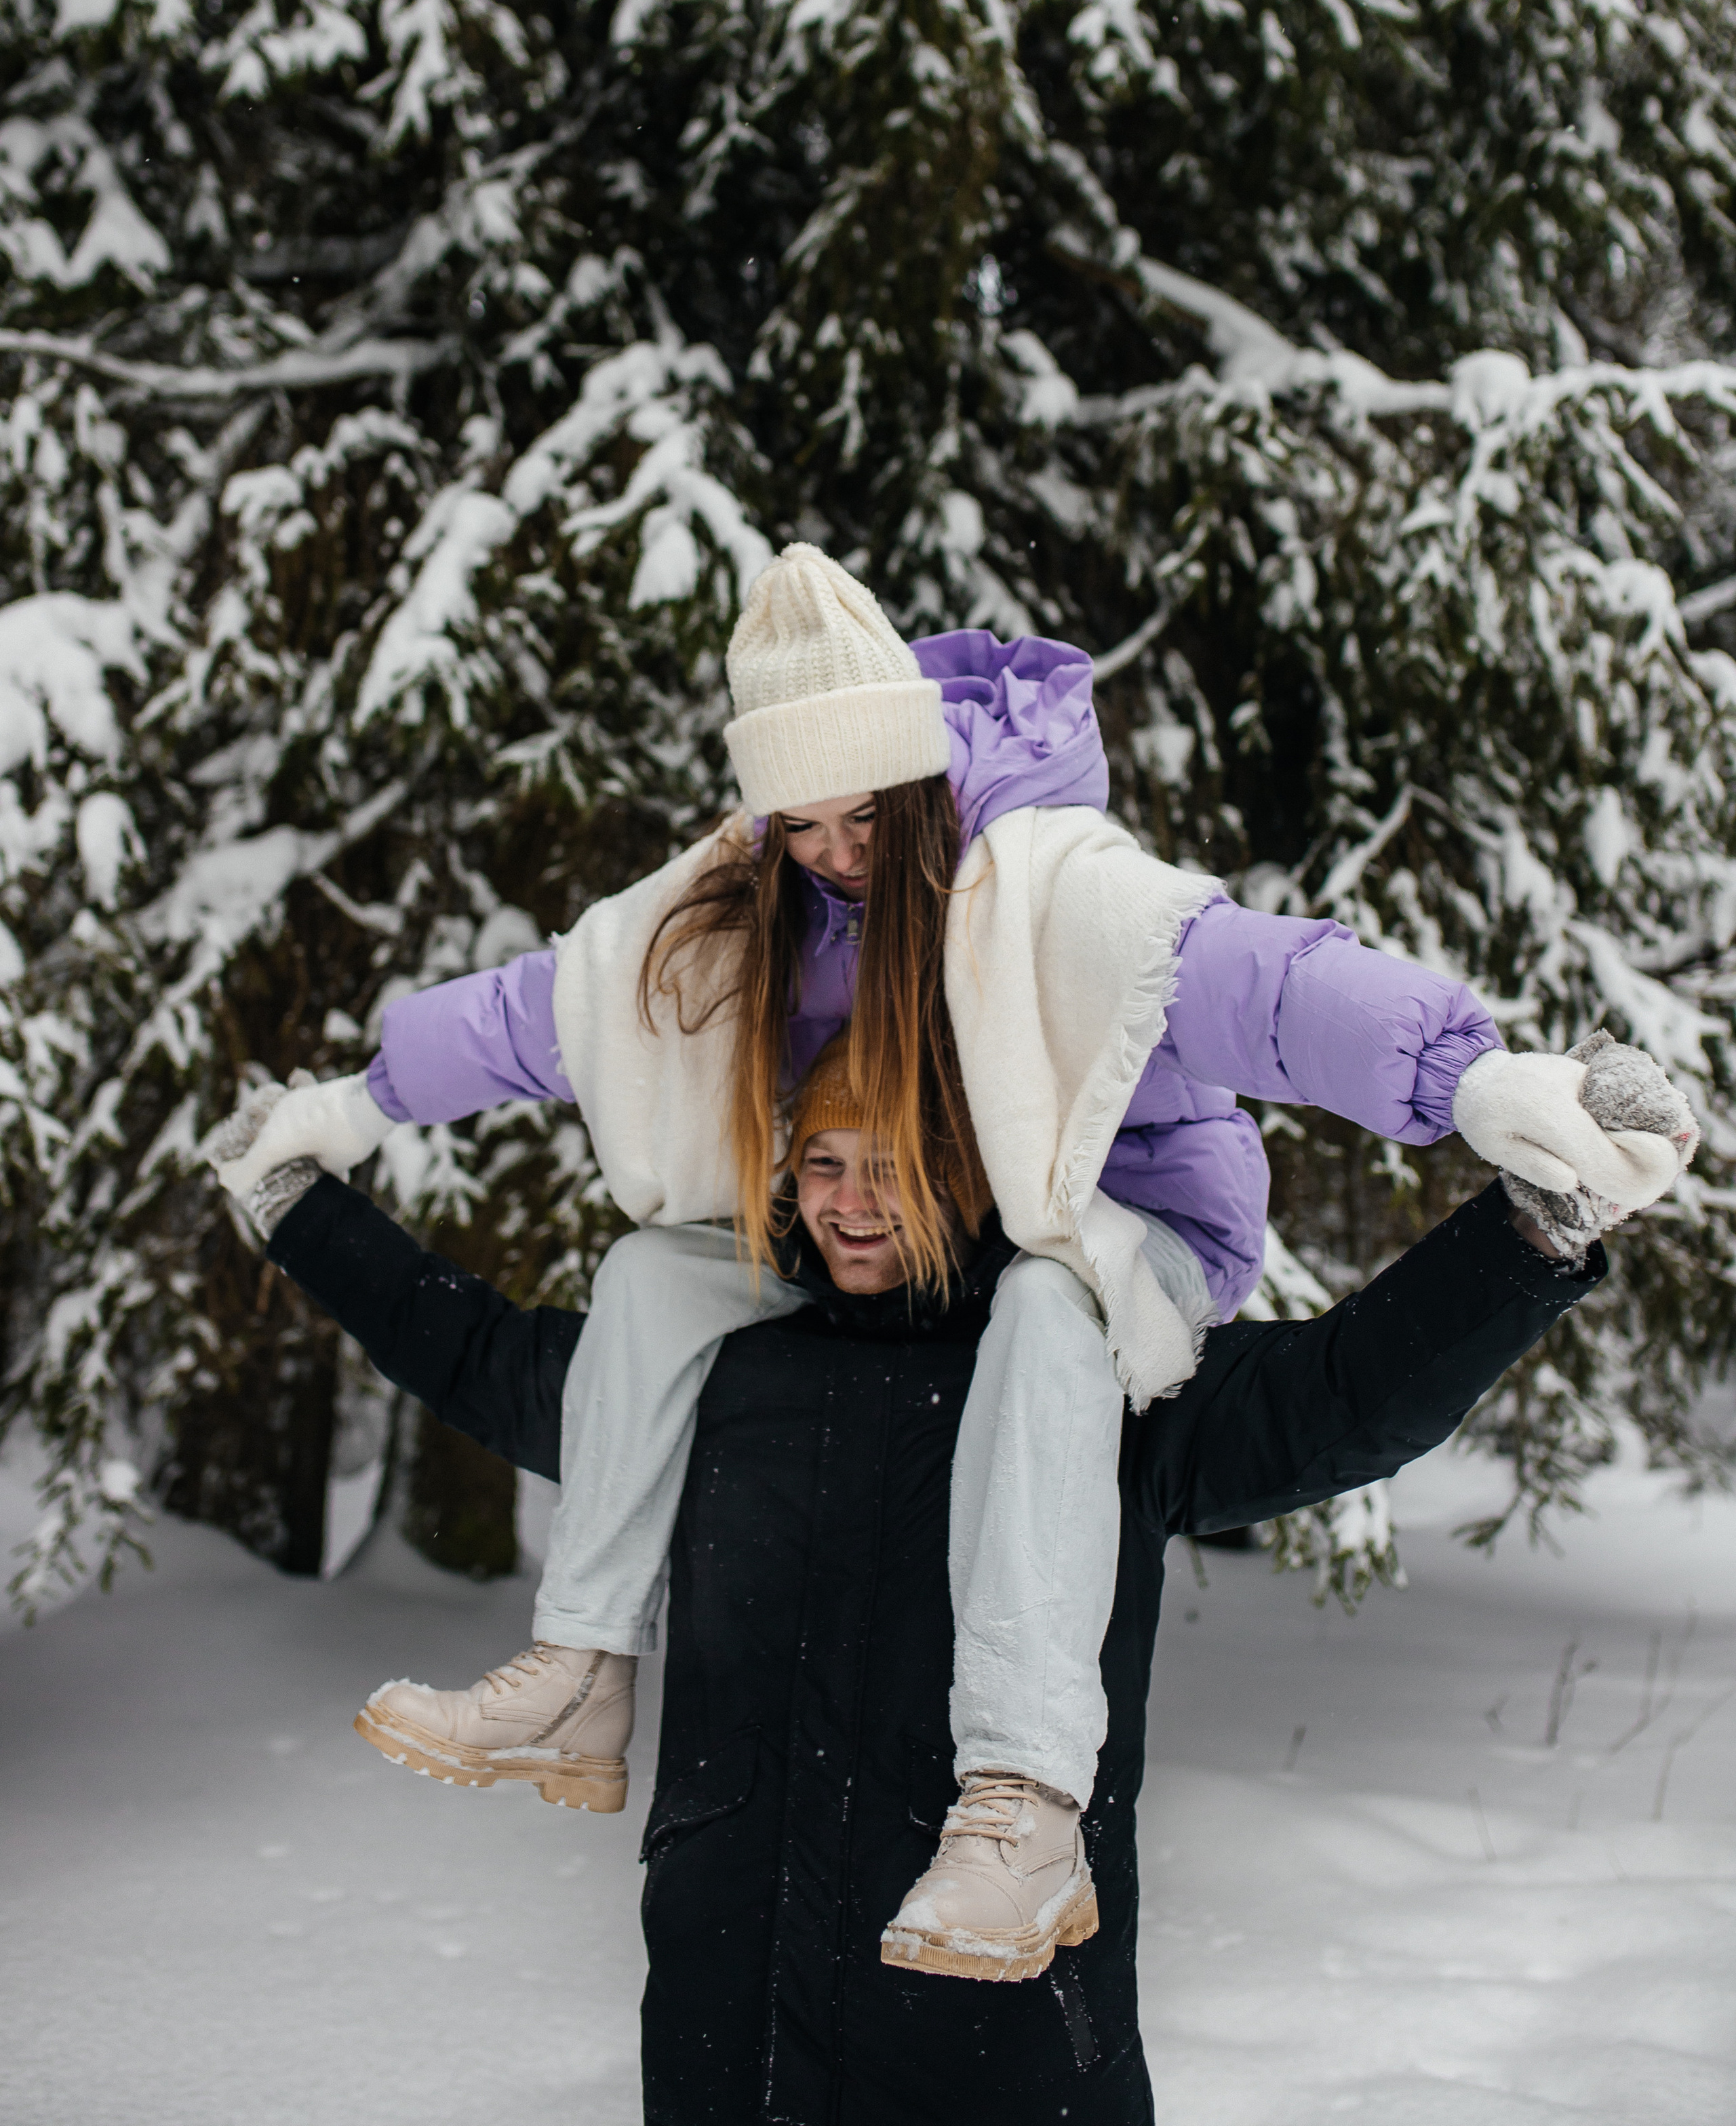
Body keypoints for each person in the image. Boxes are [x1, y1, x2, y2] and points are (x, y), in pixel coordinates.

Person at [214, 545, 1685, 1978]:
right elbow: (551, 1015)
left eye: (859, 818)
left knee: (1047, 1304)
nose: (834, 857)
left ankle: (1023, 1803)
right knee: (654, 1274)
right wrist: (333, 1132)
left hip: (1116, 1244)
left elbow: (1274, 990)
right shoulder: (760, 983)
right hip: (758, 1972)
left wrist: (1476, 1092)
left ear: (914, 779)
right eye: (797, 826)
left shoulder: (1052, 888)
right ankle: (582, 1674)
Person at [214, 1029, 1691, 2125]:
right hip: (731, 2026)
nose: (856, 1205)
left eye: (900, 1168)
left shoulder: (1098, 1385)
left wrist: (1527, 1233)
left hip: (1000, 2044)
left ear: (973, 1173)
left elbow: (1339, 1394)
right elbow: (478, 1353)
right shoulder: (702, 1372)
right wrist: (296, 1204)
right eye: (826, 1163)